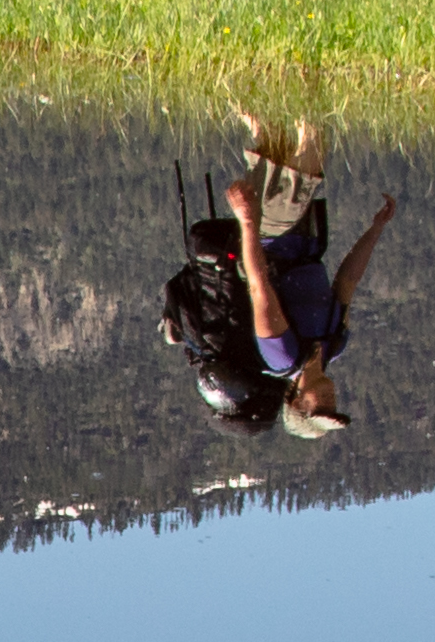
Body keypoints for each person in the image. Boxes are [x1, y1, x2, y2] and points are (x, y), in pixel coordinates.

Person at [164, 112, 391, 435]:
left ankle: (297, 75)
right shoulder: (334, 343)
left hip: (270, 236)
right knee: (272, 138)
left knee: (309, 140)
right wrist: (376, 229)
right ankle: (267, 81)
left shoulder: (281, 357)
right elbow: (347, 282)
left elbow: (259, 287)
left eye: (320, 408)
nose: (330, 401)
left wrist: (247, 222)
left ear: (296, 402)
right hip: (305, 235)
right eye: (334, 408)